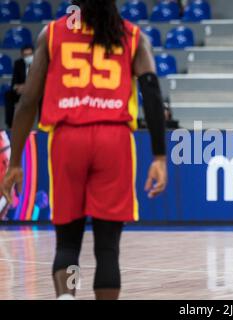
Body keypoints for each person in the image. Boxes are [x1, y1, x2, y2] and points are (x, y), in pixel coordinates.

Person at [0, 0, 167, 300]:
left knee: (67, 243)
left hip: (67, 140)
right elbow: (152, 94)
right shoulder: (132, 35)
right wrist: (158, 155)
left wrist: (15, 162)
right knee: (107, 248)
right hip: (113, 141)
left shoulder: (51, 34)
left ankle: (67, 296)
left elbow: (28, 102)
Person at [4, 45, 34, 128]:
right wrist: (17, 88)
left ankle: (43, 124)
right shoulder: (18, 63)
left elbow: (42, 80)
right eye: (26, 55)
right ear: (22, 55)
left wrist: (28, 87)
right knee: (8, 95)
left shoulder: (39, 63)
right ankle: (10, 125)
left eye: (30, 54)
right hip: (22, 91)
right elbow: (14, 83)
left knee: (44, 96)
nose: (28, 57)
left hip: (36, 91)